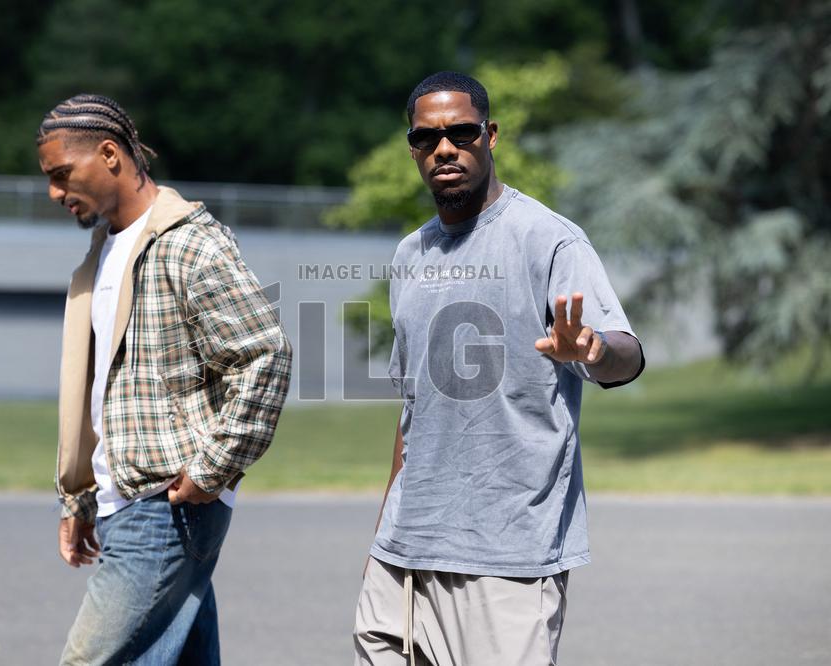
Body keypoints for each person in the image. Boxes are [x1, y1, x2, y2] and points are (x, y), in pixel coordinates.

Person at [353, 72, 645, 665]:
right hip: (403, 555)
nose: (444, 149)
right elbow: (412, 417)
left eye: (461, 133)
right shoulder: (411, 255)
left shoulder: (549, 240)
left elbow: (627, 356)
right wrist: (383, 537)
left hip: (507, 556)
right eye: (426, 138)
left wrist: (591, 351)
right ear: (412, 148)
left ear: (489, 136)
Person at [36, 94, 292, 665]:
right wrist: (79, 496)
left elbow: (264, 355)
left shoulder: (189, 244)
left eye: (61, 175)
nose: (54, 192)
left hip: (165, 505)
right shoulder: (102, 255)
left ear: (109, 155)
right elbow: (105, 393)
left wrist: (211, 471)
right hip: (127, 502)